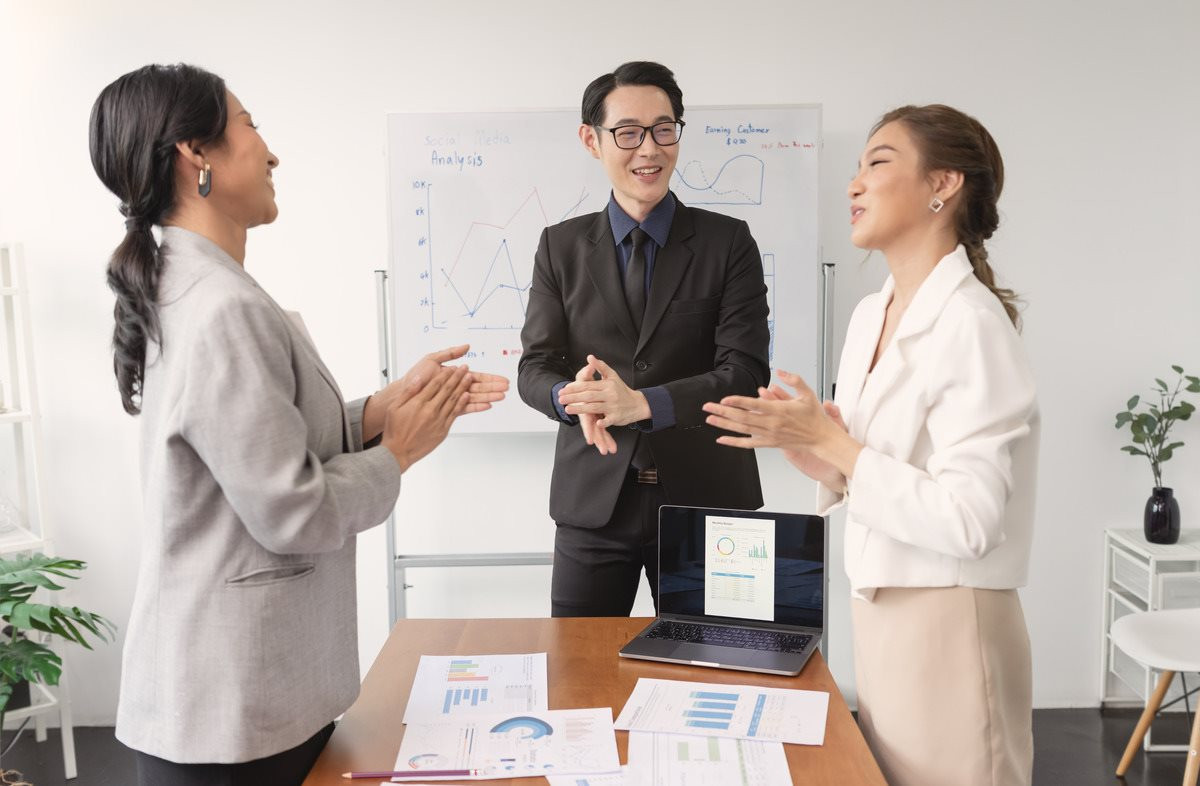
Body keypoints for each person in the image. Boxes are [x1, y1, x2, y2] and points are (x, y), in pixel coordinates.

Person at [88, 63, 507, 786]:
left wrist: (377, 411)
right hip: (228, 715)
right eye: (250, 126)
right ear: (197, 155)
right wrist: (397, 452)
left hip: (240, 706)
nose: (271, 152)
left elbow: (258, 445)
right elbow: (291, 510)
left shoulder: (200, 289)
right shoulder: (220, 307)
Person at [702, 104, 1038, 786]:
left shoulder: (972, 323)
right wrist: (813, 451)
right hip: (879, 619)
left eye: (877, 163)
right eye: (856, 168)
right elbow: (874, 472)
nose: (853, 184)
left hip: (952, 625)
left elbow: (971, 520)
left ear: (943, 184)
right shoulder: (869, 316)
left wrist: (837, 445)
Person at [518, 61, 771, 617]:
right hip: (593, 506)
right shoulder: (559, 247)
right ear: (592, 140)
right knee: (578, 680)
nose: (649, 150)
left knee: (714, 674)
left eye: (664, 129)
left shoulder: (728, 243)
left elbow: (746, 372)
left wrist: (641, 404)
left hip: (707, 504)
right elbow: (535, 367)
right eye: (628, 133)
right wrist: (569, 398)